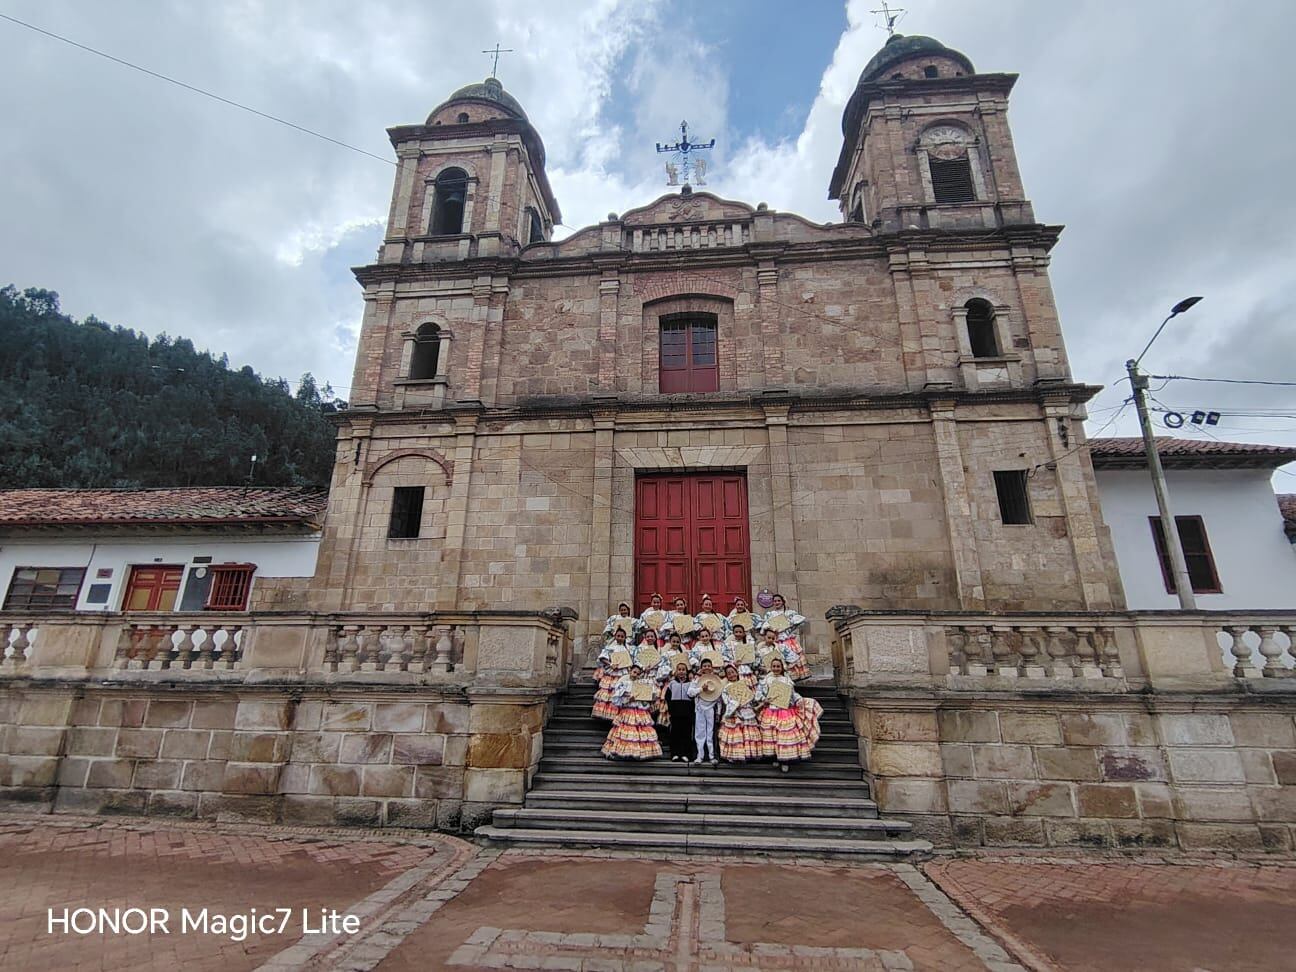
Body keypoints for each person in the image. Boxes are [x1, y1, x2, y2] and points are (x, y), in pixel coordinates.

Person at [756, 656, 819, 771]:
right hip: (771, 710)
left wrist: (800, 700)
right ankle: (775, 757)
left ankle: (785, 760)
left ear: (781, 668)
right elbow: (758, 694)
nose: (776, 668)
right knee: (772, 736)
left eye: (778, 666)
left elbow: (793, 694)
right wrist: (764, 699)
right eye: (774, 666)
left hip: (785, 710)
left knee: (784, 736)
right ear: (771, 667)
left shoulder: (786, 680)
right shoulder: (766, 680)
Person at [602, 665, 662, 760]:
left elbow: (649, 698)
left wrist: (646, 697)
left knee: (640, 732)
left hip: (640, 712)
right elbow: (617, 699)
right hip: (627, 711)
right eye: (634, 672)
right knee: (627, 731)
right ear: (630, 671)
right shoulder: (624, 682)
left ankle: (639, 753)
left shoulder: (642, 683)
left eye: (638, 674)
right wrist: (629, 700)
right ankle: (624, 752)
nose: (636, 675)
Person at [718, 664, 762, 762]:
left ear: (737, 673)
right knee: (736, 735)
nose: (731, 675)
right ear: (726, 676)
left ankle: (748, 754)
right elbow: (726, 701)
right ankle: (736, 755)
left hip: (747, 709)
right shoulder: (726, 688)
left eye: (733, 672)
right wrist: (735, 704)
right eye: (728, 673)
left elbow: (750, 696)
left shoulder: (744, 683)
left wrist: (750, 700)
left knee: (747, 734)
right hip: (735, 712)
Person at [760, 593, 809, 679]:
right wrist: (771, 628)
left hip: (787, 640)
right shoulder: (770, 614)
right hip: (775, 640)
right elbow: (764, 628)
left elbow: (800, 621)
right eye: (775, 601)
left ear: (783, 602)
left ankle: (792, 678)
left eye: (778, 601)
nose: (777, 602)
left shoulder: (789, 613)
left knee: (791, 660)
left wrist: (789, 625)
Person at [592, 627, 632, 721]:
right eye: (618, 636)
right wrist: (610, 664)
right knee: (611, 692)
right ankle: (609, 714)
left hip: (624, 673)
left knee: (621, 692)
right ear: (615, 636)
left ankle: (620, 716)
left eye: (622, 636)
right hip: (613, 672)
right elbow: (602, 658)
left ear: (625, 637)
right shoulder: (610, 647)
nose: (620, 637)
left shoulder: (628, 648)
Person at [687, 658, 722, 765]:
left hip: (711, 708)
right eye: (704, 666)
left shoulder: (716, 680)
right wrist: (701, 689)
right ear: (701, 668)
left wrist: (718, 712)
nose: (707, 668)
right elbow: (690, 693)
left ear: (712, 667)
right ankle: (699, 755)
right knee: (699, 732)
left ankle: (712, 756)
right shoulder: (696, 680)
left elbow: (719, 697)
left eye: (708, 666)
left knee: (711, 732)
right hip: (700, 708)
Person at [662, 661, 696, 761]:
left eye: (683, 670)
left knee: (686, 732)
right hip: (675, 711)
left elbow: (693, 696)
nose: (681, 672)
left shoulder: (690, 684)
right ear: (676, 671)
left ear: (686, 671)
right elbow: (667, 697)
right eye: (679, 669)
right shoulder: (672, 684)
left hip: (687, 712)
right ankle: (675, 753)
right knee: (675, 732)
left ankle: (686, 754)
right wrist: (671, 708)